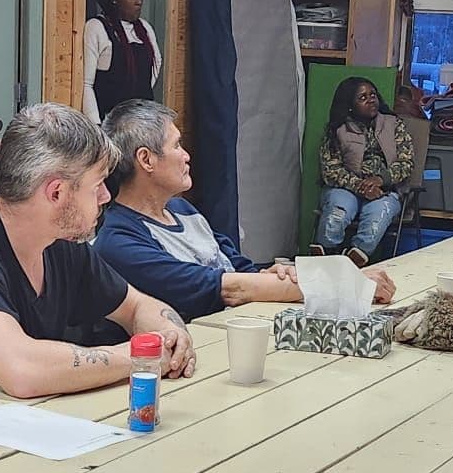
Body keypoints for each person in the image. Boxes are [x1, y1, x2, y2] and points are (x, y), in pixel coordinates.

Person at [0, 102, 195, 411]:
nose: (106, 196)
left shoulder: (60, 246)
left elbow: (137, 305)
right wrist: (140, 355)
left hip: (9, 423)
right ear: (56, 192)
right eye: (98, 184)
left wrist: (170, 334)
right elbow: (22, 370)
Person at [95, 99, 397, 321]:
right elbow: (227, 288)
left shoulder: (182, 209)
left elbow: (243, 270)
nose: (186, 156)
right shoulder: (119, 241)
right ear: (146, 160)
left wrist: (275, 274)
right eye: (176, 146)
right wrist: (346, 283)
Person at [313, 77, 417, 265]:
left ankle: (355, 258)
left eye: (373, 95)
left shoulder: (394, 124)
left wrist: (381, 179)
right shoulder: (337, 130)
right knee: (337, 214)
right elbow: (331, 170)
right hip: (345, 189)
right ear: (350, 105)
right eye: (362, 98)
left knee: (377, 218)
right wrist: (360, 186)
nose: (370, 100)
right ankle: (326, 255)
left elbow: (406, 162)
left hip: (384, 190)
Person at [82, 0, 162, 122]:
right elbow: (87, 84)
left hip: (142, 123)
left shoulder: (145, 28)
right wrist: (96, 126)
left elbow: (156, 65)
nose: (139, 1)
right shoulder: (96, 28)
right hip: (109, 124)